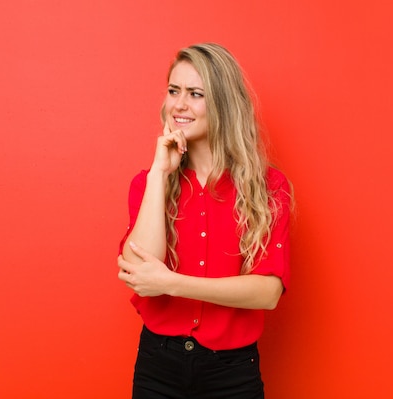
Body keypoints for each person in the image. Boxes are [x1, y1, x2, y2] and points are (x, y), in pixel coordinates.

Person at [117, 42, 292, 399]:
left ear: (223, 105)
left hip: (232, 374)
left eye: (195, 94)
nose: (179, 105)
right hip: (157, 367)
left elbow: (267, 292)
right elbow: (139, 276)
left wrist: (171, 282)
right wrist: (159, 175)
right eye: (173, 91)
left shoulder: (269, 187)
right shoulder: (148, 183)